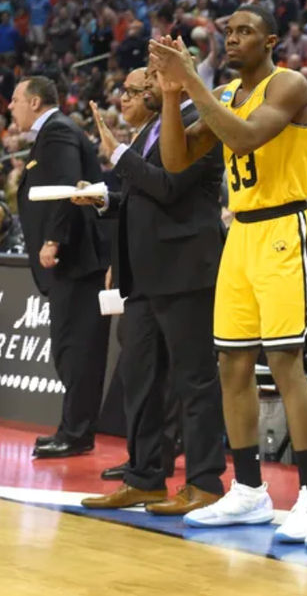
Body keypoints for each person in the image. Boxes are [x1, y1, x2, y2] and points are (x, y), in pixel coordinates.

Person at [148, 2, 307, 540]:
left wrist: (192, 83)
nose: (232, 38)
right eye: (228, 31)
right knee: (232, 364)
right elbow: (176, 160)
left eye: (245, 31)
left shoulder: (288, 84)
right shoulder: (224, 95)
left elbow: (247, 137)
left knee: (286, 363)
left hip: (285, 228)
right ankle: (249, 489)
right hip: (241, 233)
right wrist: (171, 95)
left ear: (270, 41)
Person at [74, 67, 228, 516]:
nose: (130, 95)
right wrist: (106, 200)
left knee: (193, 381)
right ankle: (144, 478)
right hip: (142, 277)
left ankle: (204, 482)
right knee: (140, 381)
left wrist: (117, 152)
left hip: (184, 273)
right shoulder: (152, 129)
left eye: (139, 85)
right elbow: (141, 196)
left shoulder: (201, 120)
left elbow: (168, 187)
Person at [11, 76, 110, 459]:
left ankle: (77, 433)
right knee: (70, 349)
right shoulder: (53, 133)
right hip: (74, 263)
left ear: (35, 102)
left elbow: (70, 186)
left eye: (16, 99)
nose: (11, 107)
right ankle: (72, 429)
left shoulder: (57, 131)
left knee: (77, 349)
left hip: (77, 260)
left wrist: (54, 239)